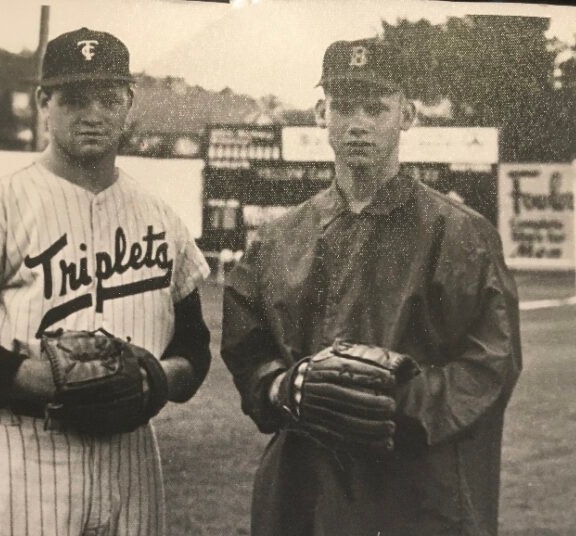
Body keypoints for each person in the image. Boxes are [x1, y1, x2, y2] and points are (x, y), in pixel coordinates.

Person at [0, 27, 211, 536]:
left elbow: (193, 347)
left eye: (108, 99)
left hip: (129, 459)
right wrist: (37, 379)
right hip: (16, 457)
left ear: (129, 102)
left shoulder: (161, 219)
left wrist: (154, 379)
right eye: (74, 98)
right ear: (44, 102)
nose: (93, 114)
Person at [221, 37, 522, 536]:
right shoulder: (278, 240)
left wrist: (395, 400)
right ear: (322, 114)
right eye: (344, 106)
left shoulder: (461, 233)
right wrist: (281, 387)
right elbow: (247, 351)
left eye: (376, 108)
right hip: (305, 486)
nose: (358, 123)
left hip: (417, 490)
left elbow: (493, 363)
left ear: (407, 115)